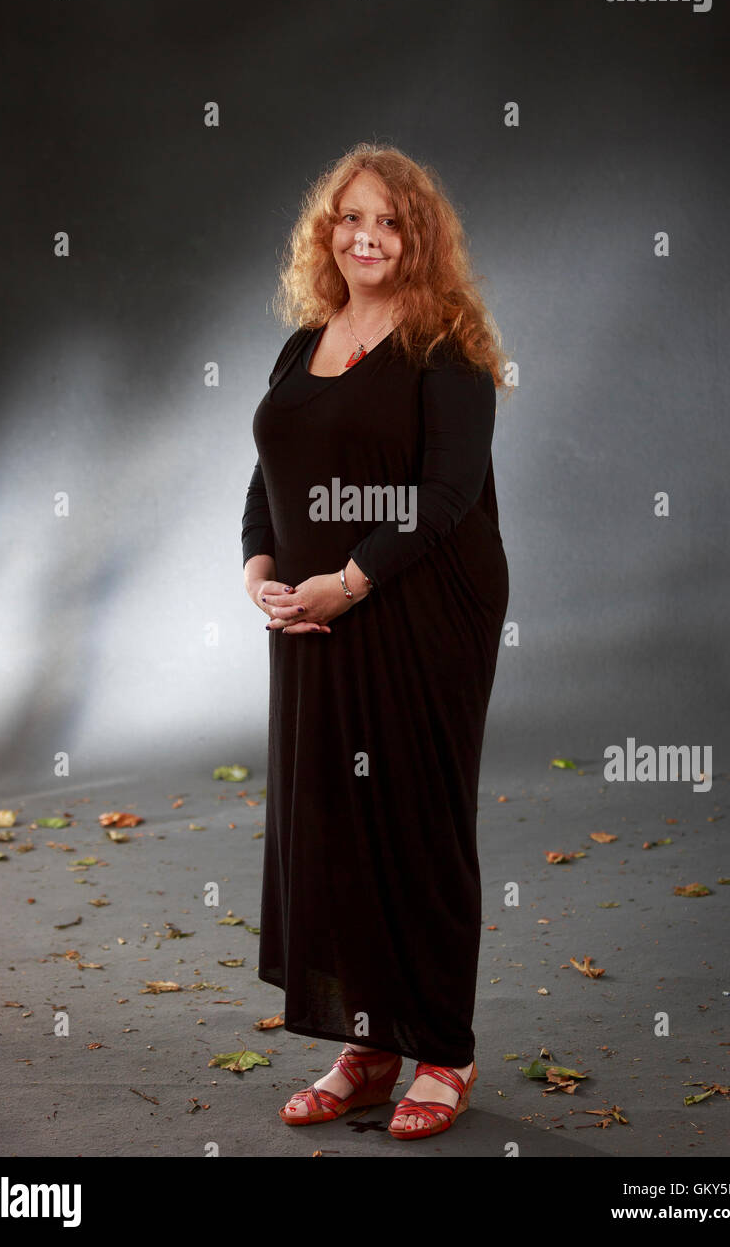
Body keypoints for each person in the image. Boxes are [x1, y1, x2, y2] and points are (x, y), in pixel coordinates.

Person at [241, 142, 511, 1140]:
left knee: (414, 820)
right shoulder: (300, 343)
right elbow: (262, 477)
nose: (366, 236)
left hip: (420, 609)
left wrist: (349, 582)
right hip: (312, 615)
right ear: (327, 229)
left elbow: (445, 497)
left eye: (389, 222)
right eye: (350, 217)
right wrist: (261, 577)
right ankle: (368, 1043)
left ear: (417, 237)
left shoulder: (447, 348)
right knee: (335, 827)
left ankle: (441, 1047)